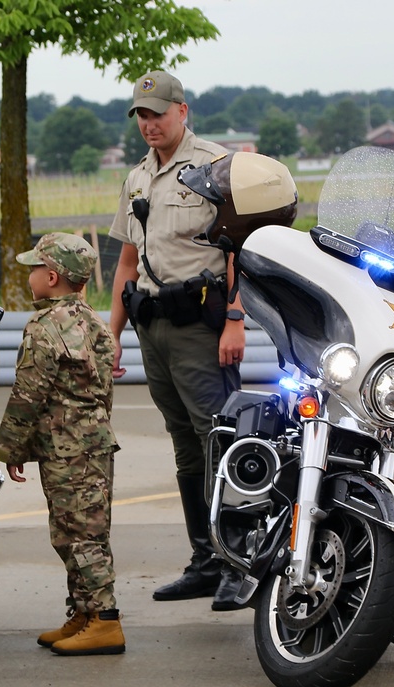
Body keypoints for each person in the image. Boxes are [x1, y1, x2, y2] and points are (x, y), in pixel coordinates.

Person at [107, 70, 246, 610]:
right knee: (186, 447)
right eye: (141, 115)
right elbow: (125, 261)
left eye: (157, 113)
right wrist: (112, 333)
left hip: (201, 327)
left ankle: (239, 563)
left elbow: (240, 251)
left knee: (220, 441)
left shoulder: (216, 166)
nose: (148, 124)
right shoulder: (137, 177)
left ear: (182, 111)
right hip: (153, 327)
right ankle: (205, 561)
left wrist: (235, 318)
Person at [0, 232, 125, 656]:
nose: (29, 275)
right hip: (92, 443)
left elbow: (29, 394)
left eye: (34, 269)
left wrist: (9, 449)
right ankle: (84, 613)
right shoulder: (95, 322)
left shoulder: (44, 326)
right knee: (80, 532)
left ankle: (104, 621)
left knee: (78, 536)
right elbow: (104, 391)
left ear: (51, 277)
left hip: (65, 448)